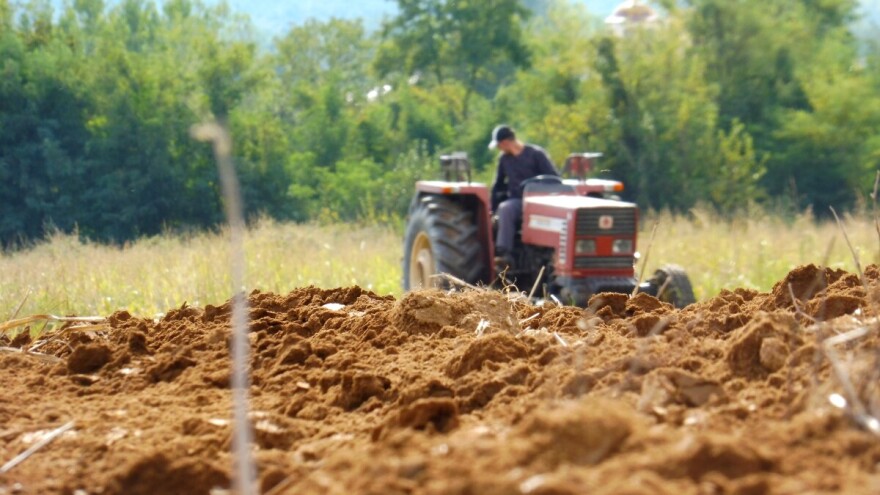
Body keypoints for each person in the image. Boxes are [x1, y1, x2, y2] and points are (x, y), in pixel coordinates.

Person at [488, 124, 559, 269]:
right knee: (505, 208)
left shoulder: (536, 154)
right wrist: (492, 209)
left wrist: (538, 186)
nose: (499, 149)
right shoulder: (504, 159)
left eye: (499, 145)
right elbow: (498, 185)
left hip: (540, 201)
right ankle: (504, 254)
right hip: (518, 201)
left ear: (505, 142)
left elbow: (554, 178)